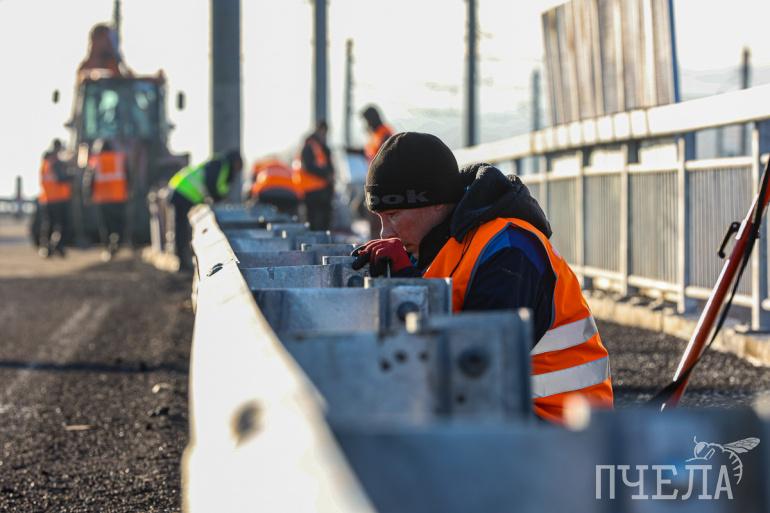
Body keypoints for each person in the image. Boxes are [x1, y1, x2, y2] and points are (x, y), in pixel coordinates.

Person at [351, 132, 613, 423]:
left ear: (436, 202)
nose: (385, 232)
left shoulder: (508, 248)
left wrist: (407, 285)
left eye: (394, 215)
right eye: (380, 218)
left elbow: (477, 363)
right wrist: (403, 278)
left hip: (563, 427)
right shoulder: (446, 245)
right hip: (521, 415)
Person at [168, 150, 242, 270]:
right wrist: (218, 198)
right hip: (183, 191)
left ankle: (183, 260)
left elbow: (216, 187)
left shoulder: (221, 165)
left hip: (183, 190)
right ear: (235, 162)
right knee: (181, 229)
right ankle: (182, 262)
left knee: (182, 227)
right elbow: (211, 185)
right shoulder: (220, 165)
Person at [347, 105, 394, 236]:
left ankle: (380, 243)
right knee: (369, 214)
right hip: (373, 181)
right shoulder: (375, 135)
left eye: (366, 121)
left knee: (376, 218)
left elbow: (385, 157)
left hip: (382, 183)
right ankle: (375, 241)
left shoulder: (385, 134)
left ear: (372, 119)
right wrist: (353, 151)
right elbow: (369, 152)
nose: (365, 125)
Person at [88, 139, 129, 260]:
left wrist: (88, 194)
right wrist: (129, 190)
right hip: (118, 197)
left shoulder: (95, 160)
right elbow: (128, 175)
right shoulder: (120, 159)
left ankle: (107, 246)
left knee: (105, 225)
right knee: (119, 222)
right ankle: (117, 242)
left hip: (102, 198)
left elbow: (89, 180)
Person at [296, 121, 334, 230]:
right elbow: (308, 166)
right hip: (313, 192)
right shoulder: (310, 145)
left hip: (321, 191)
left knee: (322, 223)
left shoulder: (320, 146)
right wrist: (326, 174)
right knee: (315, 224)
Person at [38, 139, 72, 258]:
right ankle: (56, 246)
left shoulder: (46, 162)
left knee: (50, 225)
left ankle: (49, 247)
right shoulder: (55, 162)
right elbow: (60, 178)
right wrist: (72, 176)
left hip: (48, 198)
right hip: (57, 199)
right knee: (61, 225)